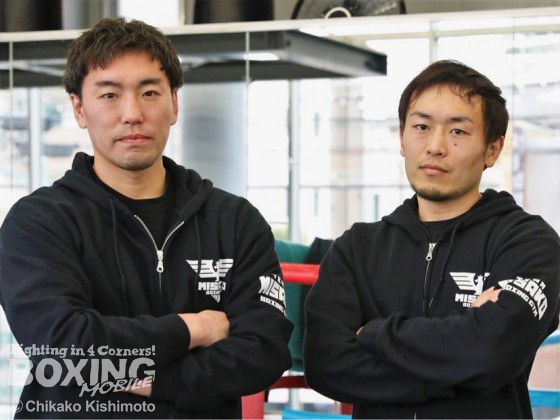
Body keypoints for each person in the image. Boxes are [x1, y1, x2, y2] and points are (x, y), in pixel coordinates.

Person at [0, 17, 293, 419]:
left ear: (174, 103)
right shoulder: (38, 223)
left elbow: (264, 350)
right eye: (109, 95)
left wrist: (158, 381)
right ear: (79, 108)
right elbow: (65, 349)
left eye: (150, 92)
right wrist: (192, 329)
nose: (132, 113)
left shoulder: (234, 220)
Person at [303, 60, 560, 419]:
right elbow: (325, 363)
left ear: (492, 149)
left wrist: (373, 333)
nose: (435, 146)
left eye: (458, 131)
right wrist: (458, 369)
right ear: (402, 137)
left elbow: (491, 353)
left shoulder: (527, 243)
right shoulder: (357, 248)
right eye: (421, 127)